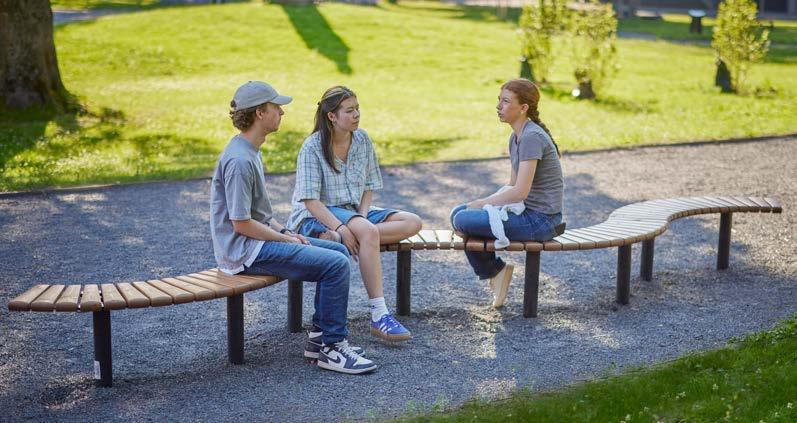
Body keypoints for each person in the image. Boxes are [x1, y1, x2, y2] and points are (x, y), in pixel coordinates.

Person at [210, 81, 375, 374]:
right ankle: (333, 348)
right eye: (276, 107)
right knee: (336, 264)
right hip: (244, 252)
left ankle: (320, 338)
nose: (282, 112)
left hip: (258, 243)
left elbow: (260, 215)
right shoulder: (240, 161)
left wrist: (287, 232)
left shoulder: (250, 150)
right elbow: (241, 223)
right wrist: (284, 239)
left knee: (338, 250)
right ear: (260, 113)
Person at [286, 86, 422, 342]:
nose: (357, 114)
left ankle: (350, 238)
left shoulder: (362, 140)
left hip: (353, 212)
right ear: (332, 116)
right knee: (367, 232)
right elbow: (310, 201)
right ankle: (379, 315)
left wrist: (360, 218)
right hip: (318, 215)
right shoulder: (312, 147)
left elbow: (369, 186)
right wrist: (343, 228)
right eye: (349, 111)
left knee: (412, 222)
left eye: (357, 108)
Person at [450, 78, 564, 308]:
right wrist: (486, 206)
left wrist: (483, 203)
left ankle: (494, 270)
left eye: (505, 101)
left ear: (523, 108)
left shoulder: (531, 137)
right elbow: (513, 185)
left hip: (542, 220)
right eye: (499, 100)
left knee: (463, 219)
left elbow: (520, 191)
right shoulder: (517, 137)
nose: (498, 106)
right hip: (528, 213)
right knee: (458, 213)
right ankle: (495, 270)